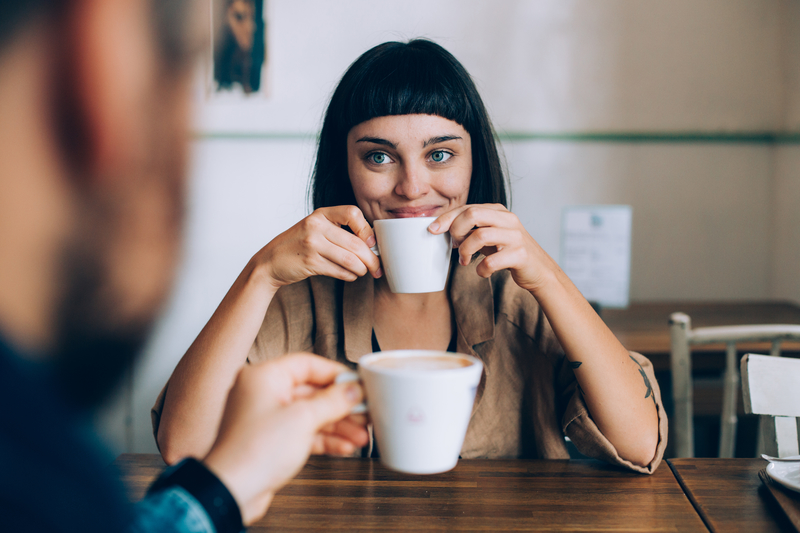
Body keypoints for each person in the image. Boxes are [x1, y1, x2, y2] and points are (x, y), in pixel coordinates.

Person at [155, 39, 668, 474]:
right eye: (379, 156)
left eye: (439, 154)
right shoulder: (302, 297)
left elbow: (640, 445)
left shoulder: (515, 291)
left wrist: (549, 277)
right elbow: (185, 446)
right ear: (346, 168)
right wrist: (261, 272)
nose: (412, 187)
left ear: (474, 163)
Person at [0, 0, 367, 531]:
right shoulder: (52, 487)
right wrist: (262, 269)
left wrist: (223, 489)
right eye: (186, 64)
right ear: (104, 60)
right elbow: (181, 440)